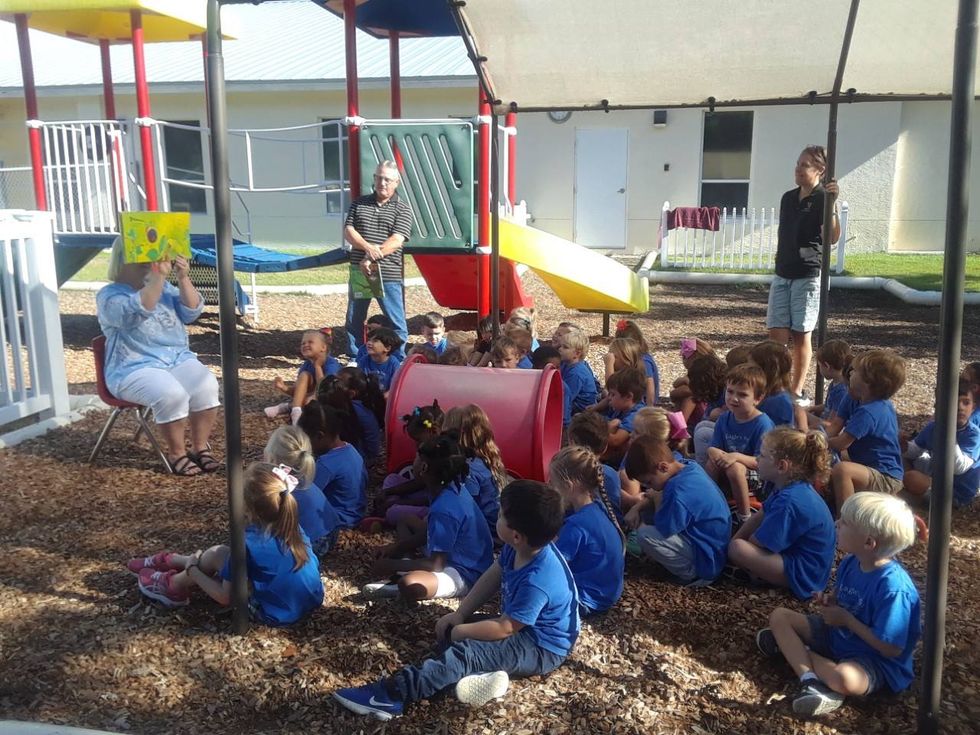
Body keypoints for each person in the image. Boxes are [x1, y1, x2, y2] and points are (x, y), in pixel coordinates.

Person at [333, 480, 578, 719]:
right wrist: (460, 615)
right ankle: (484, 675)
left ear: (516, 536)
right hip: (523, 628)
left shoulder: (538, 580)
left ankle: (391, 696)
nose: (498, 516)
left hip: (541, 647)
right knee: (456, 632)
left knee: (466, 652)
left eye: (501, 514)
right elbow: (492, 576)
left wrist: (461, 631)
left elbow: (505, 628)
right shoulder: (520, 547)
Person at [759, 493, 921, 717]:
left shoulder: (894, 588)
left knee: (844, 678)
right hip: (838, 636)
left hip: (872, 660)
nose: (836, 524)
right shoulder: (851, 562)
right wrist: (829, 601)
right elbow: (840, 597)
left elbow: (891, 648)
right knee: (780, 616)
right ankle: (810, 679)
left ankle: (795, 652)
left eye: (844, 523)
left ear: (868, 542)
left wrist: (847, 620)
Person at [129, 462, 323, 623]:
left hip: (275, 613)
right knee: (219, 554)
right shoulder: (291, 525)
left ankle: (174, 585)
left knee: (217, 554)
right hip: (308, 600)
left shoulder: (247, 544)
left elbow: (225, 597)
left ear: (247, 508)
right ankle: (173, 560)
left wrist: (194, 571)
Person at [96, 240, 220, 476]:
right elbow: (139, 310)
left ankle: (200, 447)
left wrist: (183, 277)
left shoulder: (163, 287)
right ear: (125, 257)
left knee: (207, 385)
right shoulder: (109, 295)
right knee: (171, 394)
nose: (149, 260)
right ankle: (177, 454)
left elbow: (191, 311)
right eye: (141, 254)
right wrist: (158, 277)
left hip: (176, 359)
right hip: (132, 367)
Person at [364, 435, 494, 602]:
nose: (414, 462)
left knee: (409, 584)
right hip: (455, 554)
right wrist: (395, 548)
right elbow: (430, 532)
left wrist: (391, 565)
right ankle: (407, 564)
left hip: (465, 572)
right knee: (405, 520)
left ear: (424, 467)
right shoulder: (450, 487)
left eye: (417, 458)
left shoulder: (444, 508)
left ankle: (399, 581)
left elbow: (436, 564)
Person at [767, 145, 841, 402]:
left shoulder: (823, 197)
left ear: (820, 170)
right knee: (776, 334)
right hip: (783, 271)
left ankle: (796, 390)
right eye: (797, 164)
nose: (798, 169)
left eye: (805, 165)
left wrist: (832, 205)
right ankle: (777, 387)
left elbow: (830, 237)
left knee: (801, 333)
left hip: (807, 274)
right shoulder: (788, 197)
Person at [727, 427, 836, 598]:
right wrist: (736, 538)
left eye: (762, 456)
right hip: (797, 559)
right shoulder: (789, 487)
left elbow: (758, 543)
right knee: (736, 543)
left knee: (738, 548)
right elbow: (760, 515)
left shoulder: (789, 501)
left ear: (781, 466)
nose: (757, 459)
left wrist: (734, 548)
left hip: (804, 575)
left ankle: (756, 575)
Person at [623, 435, 731, 586]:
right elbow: (656, 495)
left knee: (645, 535)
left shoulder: (679, 491)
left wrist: (653, 500)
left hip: (706, 561)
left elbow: (664, 529)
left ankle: (689, 573)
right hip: (711, 546)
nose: (650, 487)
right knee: (648, 515)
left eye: (649, 482)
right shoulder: (688, 466)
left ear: (663, 467)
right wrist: (638, 506)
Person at [344, 160, 413, 356]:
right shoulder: (359, 203)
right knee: (354, 319)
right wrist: (367, 249)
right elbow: (349, 231)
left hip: (387, 273)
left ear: (396, 182)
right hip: (361, 272)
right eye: (379, 178)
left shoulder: (403, 209)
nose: (382, 183)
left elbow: (397, 240)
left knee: (396, 320)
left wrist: (371, 258)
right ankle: (355, 357)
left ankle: (398, 360)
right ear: (374, 179)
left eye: (387, 179)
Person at [550, 447, 626, 616]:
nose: (551, 487)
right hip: (607, 592)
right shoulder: (598, 505)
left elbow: (552, 564)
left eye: (553, 483)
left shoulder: (576, 525)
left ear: (568, 486)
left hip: (587, 599)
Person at [829, 350, 906, 512]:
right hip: (865, 464)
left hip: (885, 476)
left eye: (855, 371)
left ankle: (848, 519)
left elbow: (842, 442)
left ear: (868, 382)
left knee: (842, 470)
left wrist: (819, 440)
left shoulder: (870, 411)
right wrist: (818, 436)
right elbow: (835, 426)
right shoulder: (853, 397)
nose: (850, 373)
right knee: (833, 459)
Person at [705, 364, 775, 524]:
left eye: (742, 395)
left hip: (758, 476)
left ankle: (745, 517)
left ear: (758, 398)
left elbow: (762, 462)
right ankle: (710, 505)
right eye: (730, 391)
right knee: (711, 463)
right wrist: (713, 451)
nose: (733, 398)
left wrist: (735, 457)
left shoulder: (762, 423)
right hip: (729, 467)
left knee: (735, 468)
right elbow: (714, 446)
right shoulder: (724, 418)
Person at [903, 377, 980, 507]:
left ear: (973, 408)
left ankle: (908, 496)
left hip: (955, 492)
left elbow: (958, 468)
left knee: (911, 478)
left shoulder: (973, 434)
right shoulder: (934, 426)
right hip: (934, 477)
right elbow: (916, 450)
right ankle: (908, 493)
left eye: (965, 402)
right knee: (900, 460)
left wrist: (949, 433)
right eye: (953, 403)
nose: (960, 407)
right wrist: (903, 445)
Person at [264, 425, 341, 555]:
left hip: (316, 542)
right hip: (331, 531)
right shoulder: (301, 477)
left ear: (272, 459)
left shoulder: (283, 488)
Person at [297, 401, 368, 529]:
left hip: (339, 519)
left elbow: (305, 495)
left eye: (305, 440)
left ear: (319, 436)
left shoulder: (326, 464)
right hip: (356, 513)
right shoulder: (350, 449)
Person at [442, 404, 509, 534]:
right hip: (494, 522)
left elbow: (465, 511)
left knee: (406, 518)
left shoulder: (469, 469)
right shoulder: (485, 458)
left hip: (485, 531)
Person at [265, 329, 341, 424]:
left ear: (323, 347)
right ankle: (296, 412)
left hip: (329, 398)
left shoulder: (331, 364)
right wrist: (284, 388)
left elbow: (324, 388)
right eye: (303, 343)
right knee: (305, 375)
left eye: (310, 342)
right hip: (313, 397)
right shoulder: (306, 365)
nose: (305, 345)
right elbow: (298, 392)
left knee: (309, 401)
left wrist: (317, 367)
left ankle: (287, 407)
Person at [612, 320, 660, 405]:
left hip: (642, 404)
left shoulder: (644, 361)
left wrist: (649, 410)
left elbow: (650, 390)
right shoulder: (627, 360)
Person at [558, 328, 599, 426]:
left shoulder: (576, 373)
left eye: (565, 347)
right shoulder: (566, 364)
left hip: (582, 409)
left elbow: (567, 397)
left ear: (577, 353)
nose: (560, 349)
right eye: (561, 346)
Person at [355, 327, 402, 394]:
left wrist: (387, 395)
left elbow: (396, 386)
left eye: (375, 341)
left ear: (387, 348)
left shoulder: (393, 364)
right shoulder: (364, 360)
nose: (369, 343)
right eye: (369, 340)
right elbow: (359, 381)